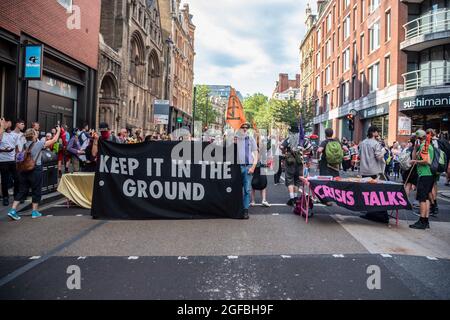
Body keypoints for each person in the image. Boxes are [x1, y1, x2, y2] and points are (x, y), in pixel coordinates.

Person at [7, 126, 61, 221]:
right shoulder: (39, 144)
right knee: (36, 190)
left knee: (22, 190)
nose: (37, 134)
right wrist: (59, 131)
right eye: (36, 133)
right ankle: (35, 212)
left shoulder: (23, 145)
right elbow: (54, 140)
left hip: (24, 170)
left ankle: (13, 210)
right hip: (35, 169)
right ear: (33, 136)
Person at [358, 126, 390, 224]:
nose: (378, 134)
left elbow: (359, 155)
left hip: (364, 171)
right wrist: (385, 150)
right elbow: (378, 156)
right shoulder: (376, 144)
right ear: (374, 132)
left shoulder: (362, 143)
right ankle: (380, 215)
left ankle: (370, 213)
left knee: (367, 194)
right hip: (374, 171)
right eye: (377, 132)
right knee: (377, 194)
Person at [280, 124, 313, 206]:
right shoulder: (303, 140)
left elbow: (281, 147)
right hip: (300, 162)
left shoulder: (288, 140)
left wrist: (285, 152)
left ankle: (292, 199)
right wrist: (303, 152)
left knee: (290, 179)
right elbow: (310, 148)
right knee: (298, 181)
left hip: (290, 162)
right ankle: (295, 198)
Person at [410, 130, 434, 230]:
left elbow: (426, 161)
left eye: (416, 139)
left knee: (422, 199)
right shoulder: (426, 145)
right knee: (426, 198)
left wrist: (415, 161)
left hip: (425, 175)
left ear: (419, 138)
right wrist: (415, 149)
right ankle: (425, 221)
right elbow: (415, 156)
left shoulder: (425, 146)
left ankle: (422, 221)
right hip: (428, 175)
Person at [236, 122, 258, 219]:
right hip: (236, 167)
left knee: (247, 190)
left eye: (246, 127)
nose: (245, 129)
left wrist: (253, 166)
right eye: (243, 127)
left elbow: (255, 153)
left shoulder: (250, 138)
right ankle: (236, 208)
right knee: (236, 189)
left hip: (248, 166)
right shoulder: (234, 138)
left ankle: (245, 210)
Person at [0, 118, 20, 206]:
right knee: (4, 180)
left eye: (9, 122)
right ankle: (5, 197)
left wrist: (18, 158)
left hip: (12, 160)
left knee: (17, 178)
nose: (8, 124)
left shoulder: (14, 135)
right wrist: (2, 126)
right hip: (3, 161)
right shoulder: (1, 133)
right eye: (5, 123)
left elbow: (17, 148)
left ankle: (16, 196)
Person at [251, 134, 270, 208]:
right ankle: (253, 200)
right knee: (253, 183)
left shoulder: (262, 148)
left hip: (262, 166)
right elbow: (256, 158)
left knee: (263, 183)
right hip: (255, 166)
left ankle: (263, 200)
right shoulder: (253, 148)